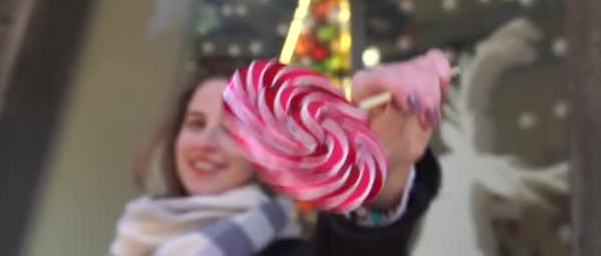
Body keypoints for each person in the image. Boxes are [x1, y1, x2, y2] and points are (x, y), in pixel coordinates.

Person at [109, 49, 452, 256]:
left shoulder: (279, 249)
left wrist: (377, 179)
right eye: (196, 123)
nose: (207, 142)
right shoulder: (137, 232)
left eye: (232, 130)